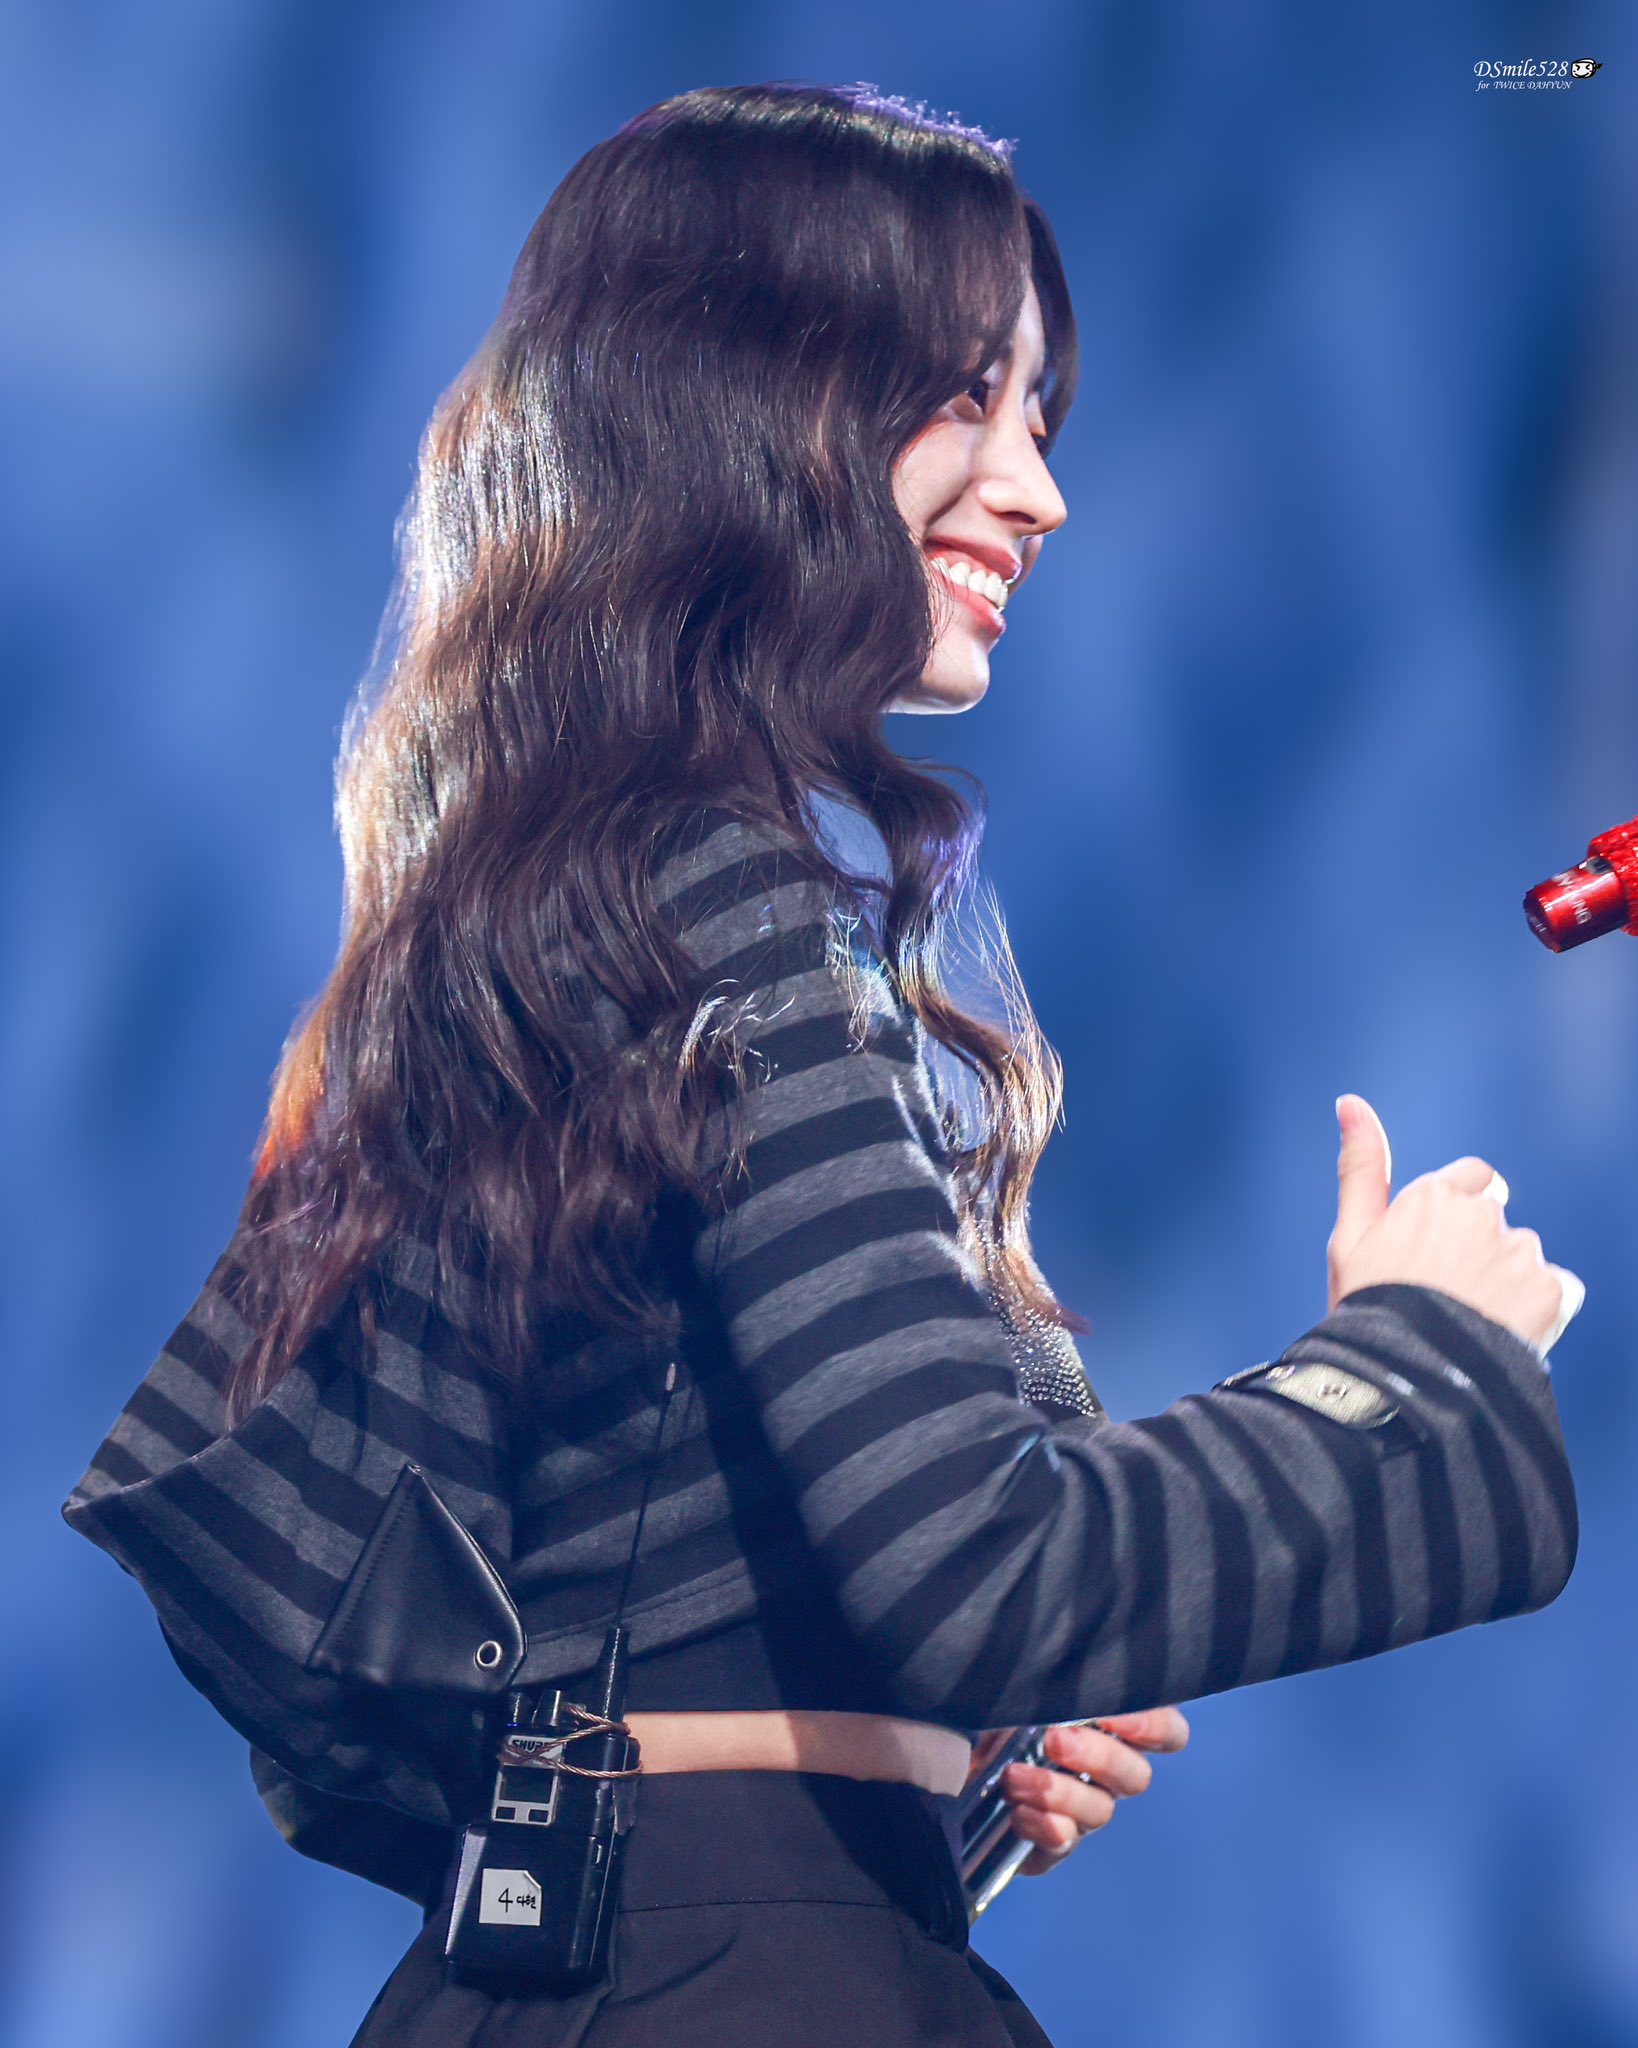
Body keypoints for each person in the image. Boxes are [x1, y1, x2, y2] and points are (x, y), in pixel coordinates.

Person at [62, 81, 1583, 2048]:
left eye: (1040, 417)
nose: (1038, 491)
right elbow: (988, 1562)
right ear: (751, 400)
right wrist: (1417, 1358)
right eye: (967, 397)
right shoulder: (717, 893)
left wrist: (933, 1774)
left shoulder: (565, 890)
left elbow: (646, 1620)